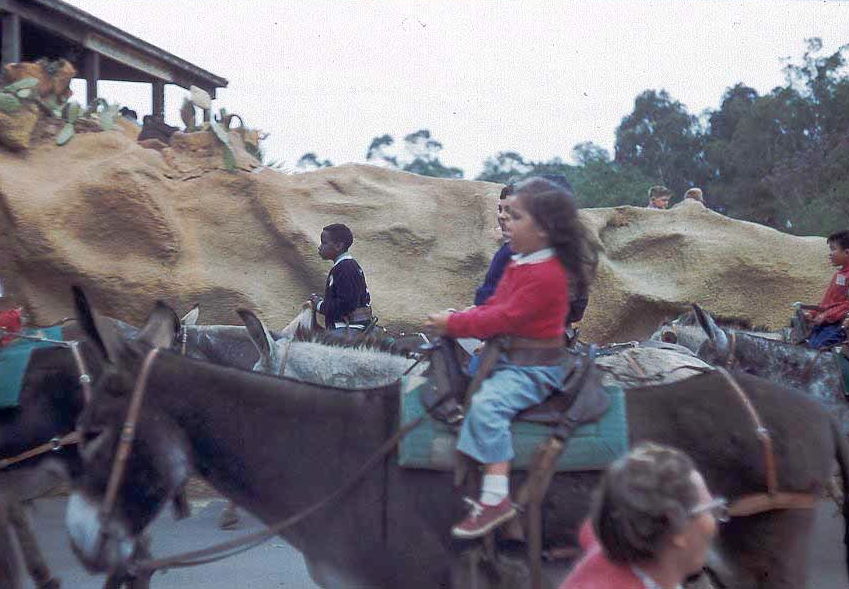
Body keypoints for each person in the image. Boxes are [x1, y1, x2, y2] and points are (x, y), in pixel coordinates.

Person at [425, 177, 599, 539]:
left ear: (544, 228)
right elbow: (493, 305)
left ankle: (495, 500)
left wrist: (454, 323)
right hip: (510, 358)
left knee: (488, 406)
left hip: (534, 368)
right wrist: (463, 317)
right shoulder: (521, 262)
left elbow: (503, 318)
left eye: (515, 217)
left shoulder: (548, 274)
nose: (505, 223)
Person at [560, 443, 727, 589]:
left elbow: (589, 529)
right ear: (678, 529)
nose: (714, 523)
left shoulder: (617, 534)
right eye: (710, 509)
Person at [309, 223, 372, 336]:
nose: (320, 247)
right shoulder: (345, 266)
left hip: (350, 328)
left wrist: (319, 305)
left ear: (338, 246)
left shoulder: (345, 268)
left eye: (324, 242)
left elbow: (347, 303)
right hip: (346, 327)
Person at [801, 230, 849, 349]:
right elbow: (828, 301)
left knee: (815, 351)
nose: (830, 254)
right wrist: (814, 313)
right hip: (826, 324)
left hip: (838, 326)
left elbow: (847, 305)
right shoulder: (839, 275)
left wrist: (826, 315)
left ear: (847, 252)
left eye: (833, 249)